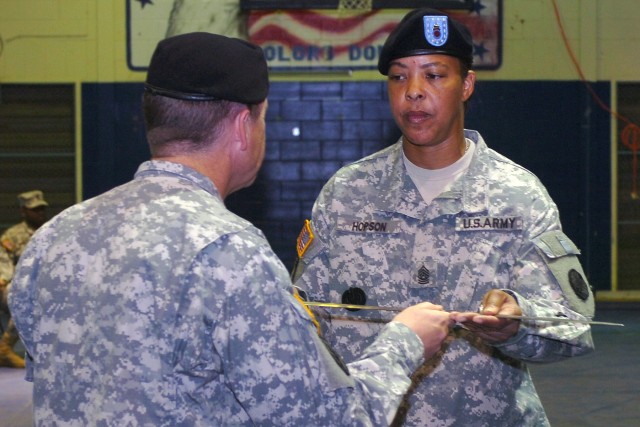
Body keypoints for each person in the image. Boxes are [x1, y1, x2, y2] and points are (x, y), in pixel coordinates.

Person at [8, 32, 453, 426]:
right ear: (243, 125)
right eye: (263, 119)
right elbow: (332, 418)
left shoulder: (54, 237)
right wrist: (405, 340)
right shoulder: (228, 250)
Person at [293, 8, 596, 427]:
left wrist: (516, 322)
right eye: (399, 77)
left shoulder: (518, 196)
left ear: (466, 84)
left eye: (434, 75)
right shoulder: (346, 194)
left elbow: (573, 328)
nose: (413, 91)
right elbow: (303, 322)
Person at [0, 190, 48, 368]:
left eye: (42, 209)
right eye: (35, 210)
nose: (40, 213)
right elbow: (3, 264)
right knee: (25, 294)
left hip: (45, 286)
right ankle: (4, 349)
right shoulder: (12, 236)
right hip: (13, 287)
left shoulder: (50, 232)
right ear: (23, 211)